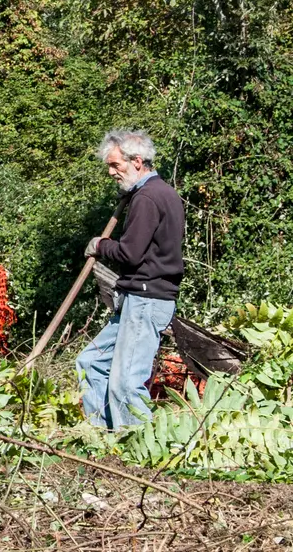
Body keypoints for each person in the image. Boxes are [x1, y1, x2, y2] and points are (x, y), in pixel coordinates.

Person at [75, 129, 185, 430]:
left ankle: (136, 449)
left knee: (125, 382)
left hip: (147, 300)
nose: (111, 172)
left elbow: (131, 254)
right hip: (135, 298)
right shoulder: (159, 192)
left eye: (115, 165)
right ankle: (103, 435)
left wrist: (100, 245)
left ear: (137, 161)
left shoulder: (148, 197)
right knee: (90, 364)